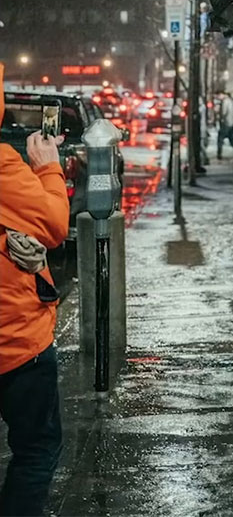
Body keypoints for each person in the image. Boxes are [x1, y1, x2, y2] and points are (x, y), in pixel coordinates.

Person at [0, 64, 70, 516]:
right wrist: (47, 169)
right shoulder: (4, 165)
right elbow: (53, 224)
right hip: (15, 342)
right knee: (36, 448)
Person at [216, 91, 233, 161]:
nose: (218, 98)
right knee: (232, 140)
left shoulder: (225, 102)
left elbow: (224, 112)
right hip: (231, 123)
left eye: (218, 96)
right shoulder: (231, 101)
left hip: (226, 123)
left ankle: (219, 154)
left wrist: (219, 114)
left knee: (220, 139)